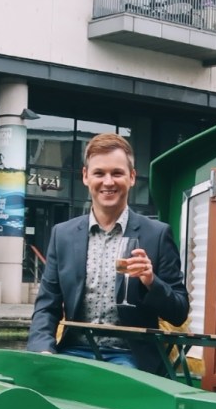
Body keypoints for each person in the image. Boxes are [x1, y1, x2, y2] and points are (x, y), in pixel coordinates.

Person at [27, 132, 189, 373]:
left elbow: (179, 312)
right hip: (74, 351)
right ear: (85, 176)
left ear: (132, 177)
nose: (108, 182)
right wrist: (42, 349)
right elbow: (47, 306)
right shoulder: (63, 235)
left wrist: (151, 281)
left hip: (129, 357)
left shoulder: (157, 234)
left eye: (117, 173)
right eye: (99, 173)